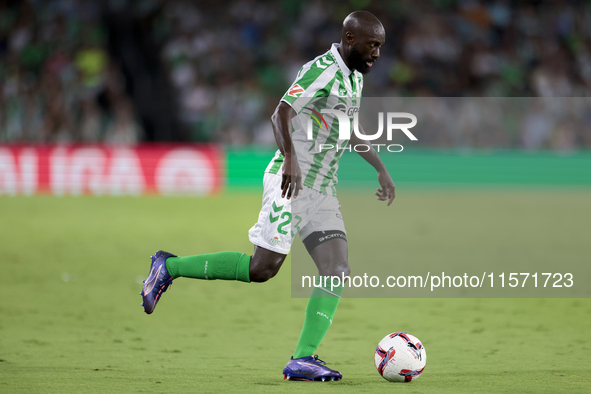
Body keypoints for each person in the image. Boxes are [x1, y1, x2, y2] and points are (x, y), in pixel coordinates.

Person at [140, 10, 394, 382]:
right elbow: (280, 114)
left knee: (336, 268)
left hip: (322, 190)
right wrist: (290, 157)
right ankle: (169, 266)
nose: (376, 54)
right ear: (351, 39)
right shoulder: (321, 70)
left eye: (381, 47)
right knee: (262, 269)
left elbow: (347, 129)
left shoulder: (354, 78)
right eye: (372, 45)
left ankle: (303, 358)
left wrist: (379, 166)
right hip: (290, 183)